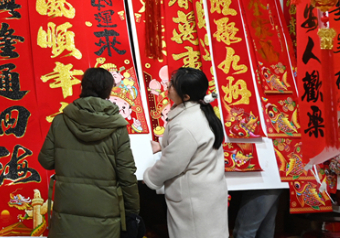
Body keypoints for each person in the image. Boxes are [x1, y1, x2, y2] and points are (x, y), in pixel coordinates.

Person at [39, 67, 139, 238]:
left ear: (82, 86)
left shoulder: (60, 121)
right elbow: (126, 173)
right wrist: (132, 211)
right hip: (105, 217)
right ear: (108, 91)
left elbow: (46, 161)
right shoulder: (117, 127)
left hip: (66, 216)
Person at [143, 67, 229, 238]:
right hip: (206, 192)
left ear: (187, 96)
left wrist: (150, 177)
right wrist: (163, 146)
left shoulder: (186, 123)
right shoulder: (199, 111)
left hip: (194, 198)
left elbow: (172, 163)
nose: (168, 86)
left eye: (173, 85)